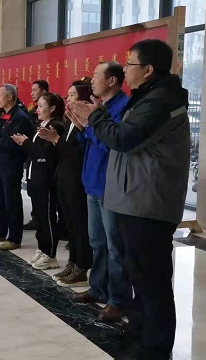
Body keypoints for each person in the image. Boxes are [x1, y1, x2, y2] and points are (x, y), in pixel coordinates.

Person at [69, 40, 190, 360]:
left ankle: (155, 346)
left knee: (151, 279)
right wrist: (93, 122)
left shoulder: (161, 100)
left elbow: (122, 139)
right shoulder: (148, 97)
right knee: (138, 274)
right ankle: (139, 331)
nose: (125, 70)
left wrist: (95, 117)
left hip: (149, 201)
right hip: (134, 198)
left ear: (148, 70)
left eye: (129, 64)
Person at [67, 61, 132, 323]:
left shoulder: (123, 107)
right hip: (93, 182)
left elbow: (112, 145)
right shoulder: (99, 106)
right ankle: (98, 288)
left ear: (112, 81)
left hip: (110, 185)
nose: (92, 80)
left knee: (115, 246)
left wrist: (89, 126)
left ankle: (118, 300)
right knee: (97, 241)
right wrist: (81, 127)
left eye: (96, 76)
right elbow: (90, 142)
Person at [39, 79, 93, 287]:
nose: (68, 99)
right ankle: (73, 262)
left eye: (72, 95)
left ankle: (82, 266)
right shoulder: (70, 121)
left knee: (80, 225)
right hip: (64, 178)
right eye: (68, 95)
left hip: (77, 180)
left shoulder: (85, 123)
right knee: (70, 225)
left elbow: (78, 153)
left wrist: (55, 140)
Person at [13, 93, 65, 269]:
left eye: (42, 106)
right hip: (35, 176)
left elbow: (43, 154)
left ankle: (50, 254)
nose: (38, 109)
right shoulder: (41, 125)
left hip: (46, 177)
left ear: (52, 108)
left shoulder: (55, 126)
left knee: (47, 216)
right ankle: (43, 248)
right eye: (38, 106)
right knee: (40, 216)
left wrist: (26, 142)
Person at [0, 84, 32, 250]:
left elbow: (15, 142)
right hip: (0, 162)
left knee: (12, 201)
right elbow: (0, 136)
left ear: (10, 97)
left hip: (11, 164)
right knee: (0, 200)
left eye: (0, 95)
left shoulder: (19, 117)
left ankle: (15, 237)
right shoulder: (4, 114)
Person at [23, 79, 50, 230]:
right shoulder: (32, 112)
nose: (32, 93)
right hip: (31, 155)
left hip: (41, 159)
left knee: (43, 195)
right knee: (32, 189)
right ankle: (36, 217)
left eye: (35, 90)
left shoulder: (52, 121)